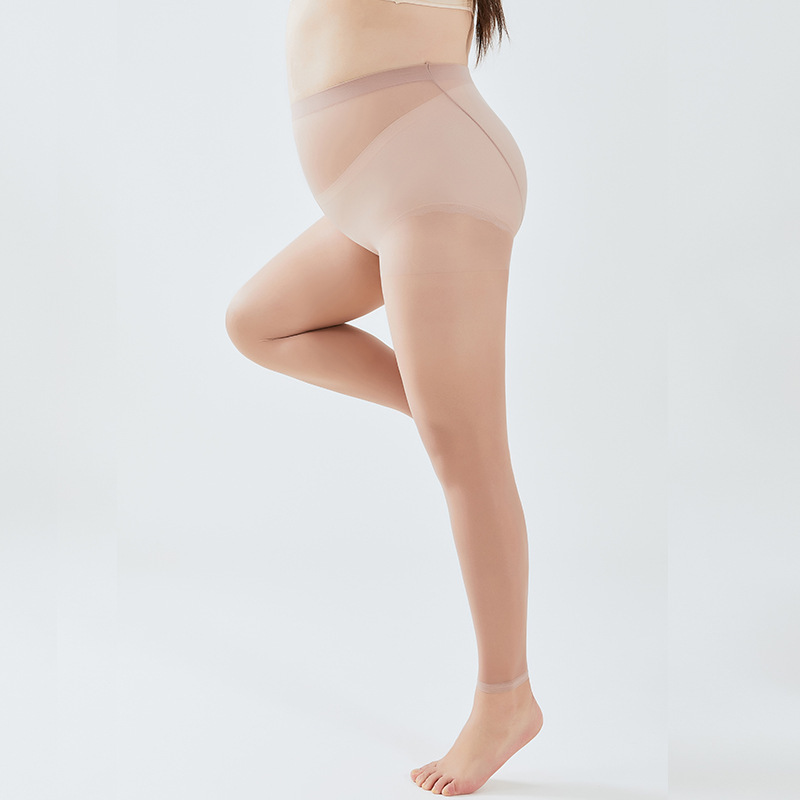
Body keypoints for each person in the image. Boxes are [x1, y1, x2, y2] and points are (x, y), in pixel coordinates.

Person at [224, 0, 543, 795]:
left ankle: (506, 698)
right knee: (258, 322)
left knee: (468, 460)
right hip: (379, 187)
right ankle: (448, 417)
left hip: (436, 179)